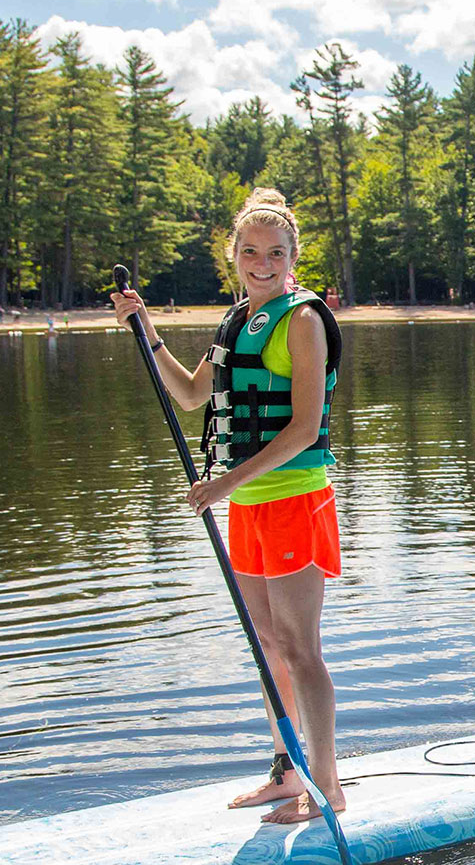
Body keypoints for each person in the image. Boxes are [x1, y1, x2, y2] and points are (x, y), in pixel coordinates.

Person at [111, 188, 346, 824]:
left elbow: (301, 428)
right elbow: (190, 396)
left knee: (301, 649)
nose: (261, 262)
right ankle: (285, 769)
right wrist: (146, 329)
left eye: (274, 252)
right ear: (233, 256)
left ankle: (326, 784)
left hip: (295, 499)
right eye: (249, 251)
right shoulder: (236, 322)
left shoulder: (301, 319)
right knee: (267, 643)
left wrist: (221, 482)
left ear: (292, 257)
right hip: (248, 505)